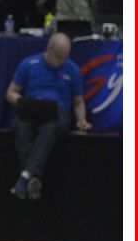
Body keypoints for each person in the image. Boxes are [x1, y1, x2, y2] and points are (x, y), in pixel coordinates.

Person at [5, 32, 90, 201]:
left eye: (65, 57)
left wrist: (82, 120)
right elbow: (10, 93)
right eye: (58, 57)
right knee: (21, 125)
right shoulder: (29, 64)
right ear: (48, 49)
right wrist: (21, 101)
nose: (62, 62)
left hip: (58, 111)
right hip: (32, 108)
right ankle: (32, 178)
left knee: (51, 127)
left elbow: (78, 102)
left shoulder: (72, 69)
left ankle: (25, 177)